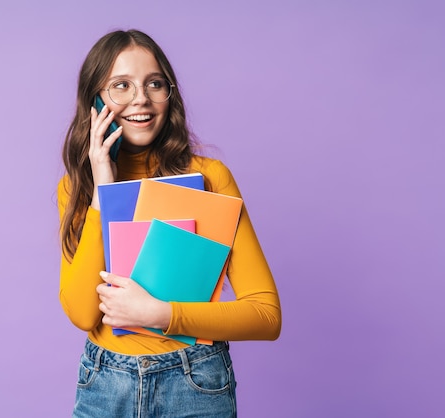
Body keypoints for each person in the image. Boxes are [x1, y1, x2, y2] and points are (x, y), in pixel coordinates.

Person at [57, 29, 281, 417]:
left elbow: (265, 315)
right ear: (94, 101)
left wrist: (161, 314)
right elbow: (82, 314)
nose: (140, 98)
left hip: (194, 381)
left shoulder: (210, 177)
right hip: (105, 384)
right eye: (120, 86)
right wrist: (102, 191)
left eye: (154, 83)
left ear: (169, 94)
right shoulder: (76, 188)